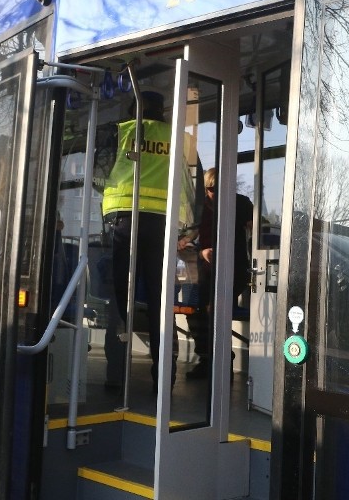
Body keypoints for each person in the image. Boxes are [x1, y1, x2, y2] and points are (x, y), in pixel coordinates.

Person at [99, 90, 198, 392]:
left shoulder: (121, 131)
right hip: (162, 225)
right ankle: (164, 376)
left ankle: (116, 376)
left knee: (120, 302)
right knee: (160, 303)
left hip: (124, 223)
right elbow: (191, 179)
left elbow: (99, 173)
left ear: (133, 108)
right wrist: (189, 229)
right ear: (163, 111)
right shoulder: (177, 137)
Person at [186, 167, 254, 380]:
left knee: (216, 310)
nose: (212, 193)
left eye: (216, 188)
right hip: (206, 270)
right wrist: (198, 249)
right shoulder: (202, 208)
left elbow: (258, 228)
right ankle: (207, 359)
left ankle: (222, 361)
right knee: (196, 311)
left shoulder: (241, 203)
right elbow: (191, 234)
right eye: (208, 189)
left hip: (233, 268)